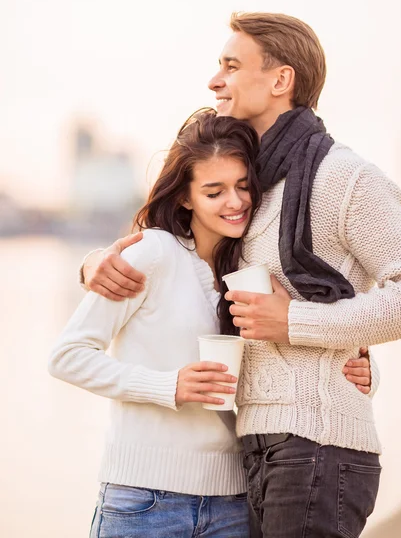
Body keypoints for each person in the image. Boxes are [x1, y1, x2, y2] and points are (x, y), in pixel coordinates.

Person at [78, 12, 401, 538]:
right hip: (258, 452)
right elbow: (186, 255)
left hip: (317, 448)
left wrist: (296, 323)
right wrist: (94, 264)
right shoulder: (255, 189)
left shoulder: (344, 176)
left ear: (281, 80)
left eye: (231, 65)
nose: (215, 80)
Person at [49, 110, 261, 538]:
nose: (235, 202)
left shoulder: (257, 267)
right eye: (214, 191)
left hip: (235, 507)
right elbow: (67, 357)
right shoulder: (153, 253)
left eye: (242, 186)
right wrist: (168, 386)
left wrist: (367, 372)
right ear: (185, 198)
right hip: (144, 504)